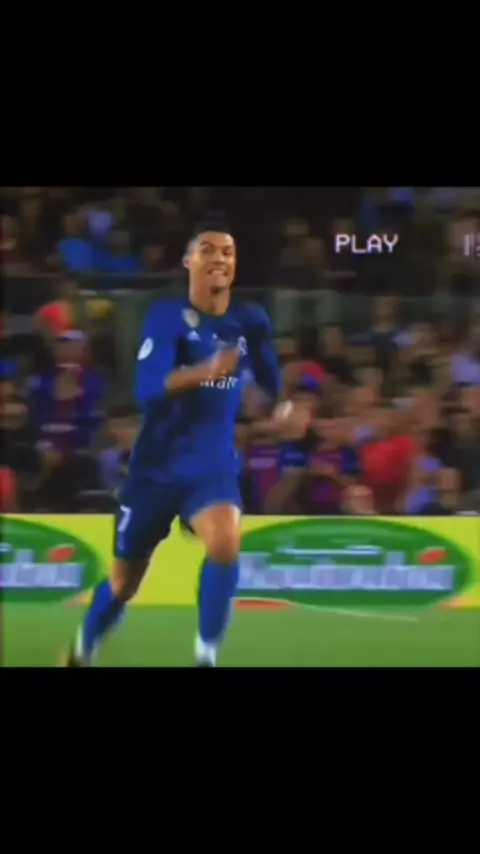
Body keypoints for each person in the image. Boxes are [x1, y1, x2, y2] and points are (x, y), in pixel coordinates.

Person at [62, 221, 287, 667]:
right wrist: (205, 371)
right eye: (208, 250)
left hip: (210, 465)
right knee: (124, 583)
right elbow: (146, 390)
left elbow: (268, 373)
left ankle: (206, 656)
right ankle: (82, 651)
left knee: (225, 540)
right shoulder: (166, 317)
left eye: (228, 251)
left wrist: (279, 405)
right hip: (155, 470)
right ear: (189, 262)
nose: (220, 258)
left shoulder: (251, 320)